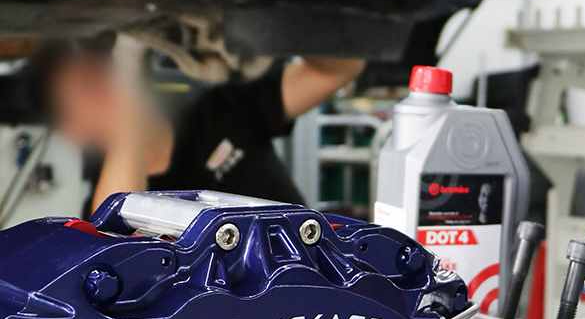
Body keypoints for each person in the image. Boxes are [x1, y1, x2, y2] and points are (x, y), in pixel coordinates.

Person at [30, 38, 364, 213]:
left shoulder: (223, 108)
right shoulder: (106, 201)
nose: (116, 84)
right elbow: (119, 245)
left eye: (108, 71)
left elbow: (339, 70)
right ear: (74, 130)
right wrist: (128, 105)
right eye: (92, 88)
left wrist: (273, 19)